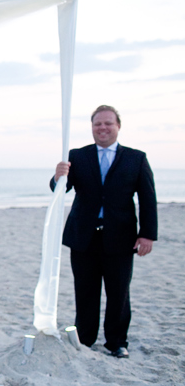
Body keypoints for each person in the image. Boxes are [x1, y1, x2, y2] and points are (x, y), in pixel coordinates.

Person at [52, 105, 157, 359]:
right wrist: (57, 177)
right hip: (83, 237)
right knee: (85, 291)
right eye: (98, 124)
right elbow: (60, 190)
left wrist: (147, 234)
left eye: (108, 123)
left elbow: (147, 198)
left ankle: (117, 343)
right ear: (92, 127)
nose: (103, 128)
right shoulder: (77, 156)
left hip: (120, 237)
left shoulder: (136, 158)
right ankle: (85, 339)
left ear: (118, 126)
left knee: (119, 292)